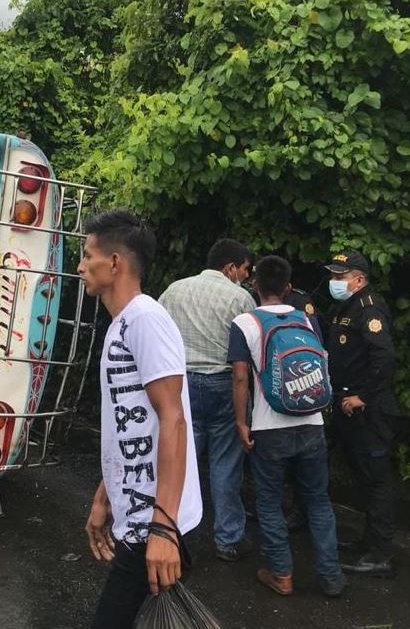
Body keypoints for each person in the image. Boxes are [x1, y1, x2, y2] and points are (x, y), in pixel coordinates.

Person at [78, 210, 201, 626]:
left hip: (154, 520)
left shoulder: (147, 320)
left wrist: (164, 528)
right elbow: (127, 425)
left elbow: (174, 419)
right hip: (136, 515)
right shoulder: (121, 325)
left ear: (114, 263)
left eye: (87, 254)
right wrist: (103, 496)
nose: (80, 266)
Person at [229, 255, 344, 598]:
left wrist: (240, 421)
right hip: (311, 422)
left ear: (255, 286)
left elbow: (239, 378)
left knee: (268, 501)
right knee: (318, 501)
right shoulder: (306, 321)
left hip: (268, 427)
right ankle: (331, 577)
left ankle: (282, 574)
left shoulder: (244, 323)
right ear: (289, 288)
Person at [158, 238, 255, 561]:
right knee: (225, 465)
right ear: (230, 267)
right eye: (243, 269)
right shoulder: (241, 298)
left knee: (180, 463)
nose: (245, 275)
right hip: (223, 386)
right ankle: (227, 540)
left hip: (180, 385)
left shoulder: (174, 291)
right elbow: (252, 351)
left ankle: (172, 533)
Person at [324, 250, 398, 577]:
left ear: (359, 279)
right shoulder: (348, 307)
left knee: (377, 480)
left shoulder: (370, 309)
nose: (335, 281)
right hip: (346, 405)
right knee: (364, 478)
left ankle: (380, 554)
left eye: (341, 276)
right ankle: (368, 543)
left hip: (368, 410)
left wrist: (362, 396)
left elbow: (384, 358)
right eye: (334, 276)